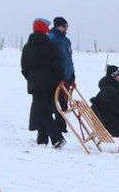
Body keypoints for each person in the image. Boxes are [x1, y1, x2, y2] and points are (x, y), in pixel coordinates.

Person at [19, 18, 67, 148]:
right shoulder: (49, 45)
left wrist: (31, 78)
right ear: (44, 29)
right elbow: (57, 63)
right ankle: (42, 140)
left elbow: (24, 67)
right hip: (51, 82)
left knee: (42, 110)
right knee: (45, 109)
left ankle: (56, 138)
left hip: (36, 83)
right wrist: (60, 79)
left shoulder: (28, 47)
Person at [50, 16, 76, 89]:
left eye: (67, 26)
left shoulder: (66, 41)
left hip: (67, 77)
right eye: (64, 26)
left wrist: (72, 73)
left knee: (64, 100)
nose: (66, 28)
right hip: (55, 77)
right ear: (58, 26)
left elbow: (69, 59)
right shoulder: (51, 38)